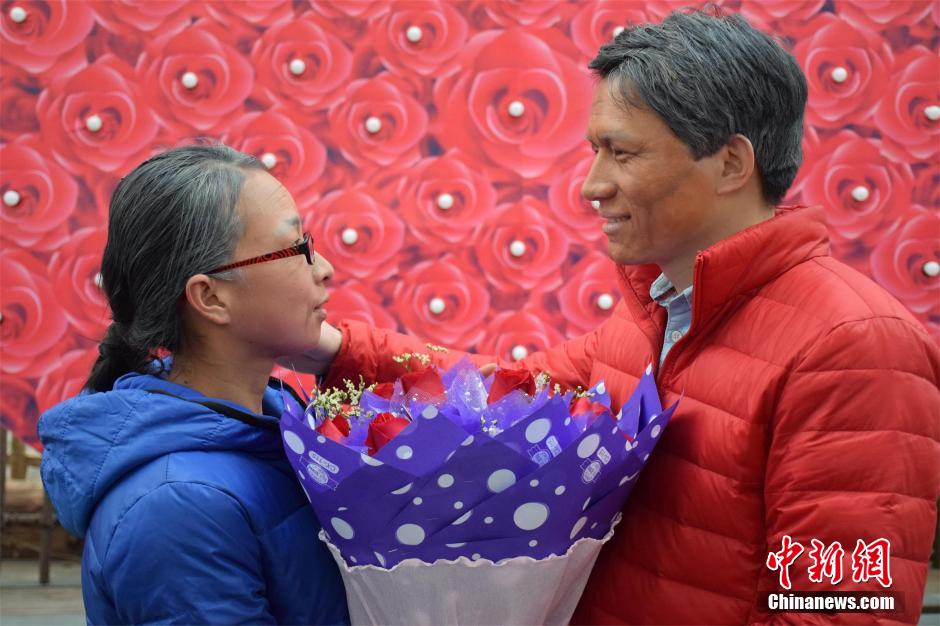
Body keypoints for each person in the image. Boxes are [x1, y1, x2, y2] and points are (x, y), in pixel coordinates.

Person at [294, 10, 940, 624]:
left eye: (622, 153)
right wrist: (326, 347)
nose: (592, 184)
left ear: (730, 163)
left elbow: (843, 609)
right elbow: (501, 395)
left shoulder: (855, 347)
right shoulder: (655, 320)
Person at [38, 144, 349, 625]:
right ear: (211, 297)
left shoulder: (279, 425)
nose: (324, 267)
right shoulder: (176, 507)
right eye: (298, 248)